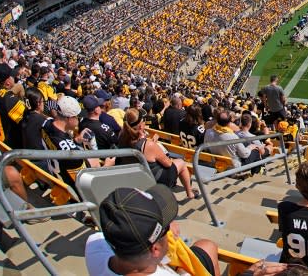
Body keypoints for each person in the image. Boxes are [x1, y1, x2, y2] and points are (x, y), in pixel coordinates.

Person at [85, 184, 219, 276]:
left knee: (206, 246)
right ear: (155, 249)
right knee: (209, 246)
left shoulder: (94, 245)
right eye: (166, 229)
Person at [118, 108, 198, 200]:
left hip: (136, 176)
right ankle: (190, 193)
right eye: (143, 121)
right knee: (181, 163)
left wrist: (149, 141)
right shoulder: (148, 145)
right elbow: (168, 164)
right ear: (140, 126)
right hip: (155, 180)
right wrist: (154, 145)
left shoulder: (122, 137)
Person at [42, 95, 115, 186]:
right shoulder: (74, 155)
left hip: (55, 174)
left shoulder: (46, 124)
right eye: (77, 116)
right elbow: (85, 183)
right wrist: (107, 166)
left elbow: (60, 144)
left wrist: (76, 140)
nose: (79, 119)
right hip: (69, 186)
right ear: (69, 118)